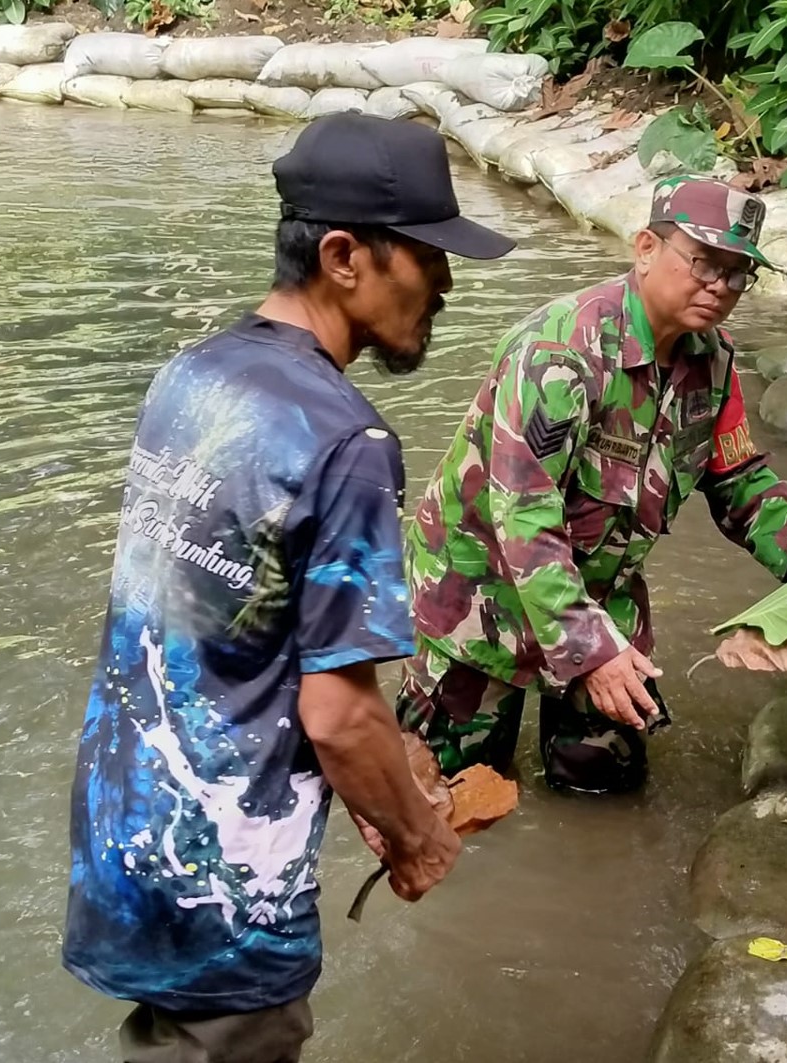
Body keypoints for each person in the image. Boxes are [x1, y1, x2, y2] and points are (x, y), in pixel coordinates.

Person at [61, 113, 515, 1063]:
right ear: (346, 255)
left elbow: (230, 630)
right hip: (228, 881)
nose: (445, 283)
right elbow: (338, 717)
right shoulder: (348, 440)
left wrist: (405, 760)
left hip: (125, 829)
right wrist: (416, 839)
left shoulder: (194, 376)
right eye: (428, 255)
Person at [397, 175, 787, 796]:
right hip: (481, 595)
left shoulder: (712, 361)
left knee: (604, 776)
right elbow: (524, 520)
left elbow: (738, 476)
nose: (719, 287)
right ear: (645, 249)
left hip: (600, 590)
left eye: (739, 274)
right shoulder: (561, 355)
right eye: (704, 262)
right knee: (446, 791)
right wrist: (591, 652)